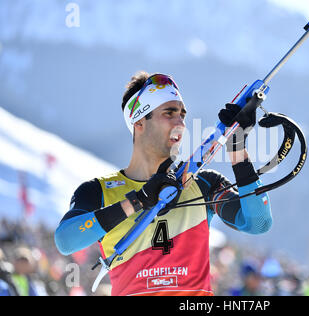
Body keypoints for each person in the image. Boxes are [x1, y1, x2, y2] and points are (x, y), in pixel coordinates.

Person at [54, 71, 272, 296]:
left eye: (182, 115)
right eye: (169, 113)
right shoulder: (97, 191)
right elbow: (66, 240)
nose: (181, 123)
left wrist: (237, 147)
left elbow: (259, 223)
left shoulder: (202, 183)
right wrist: (138, 201)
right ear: (139, 121)